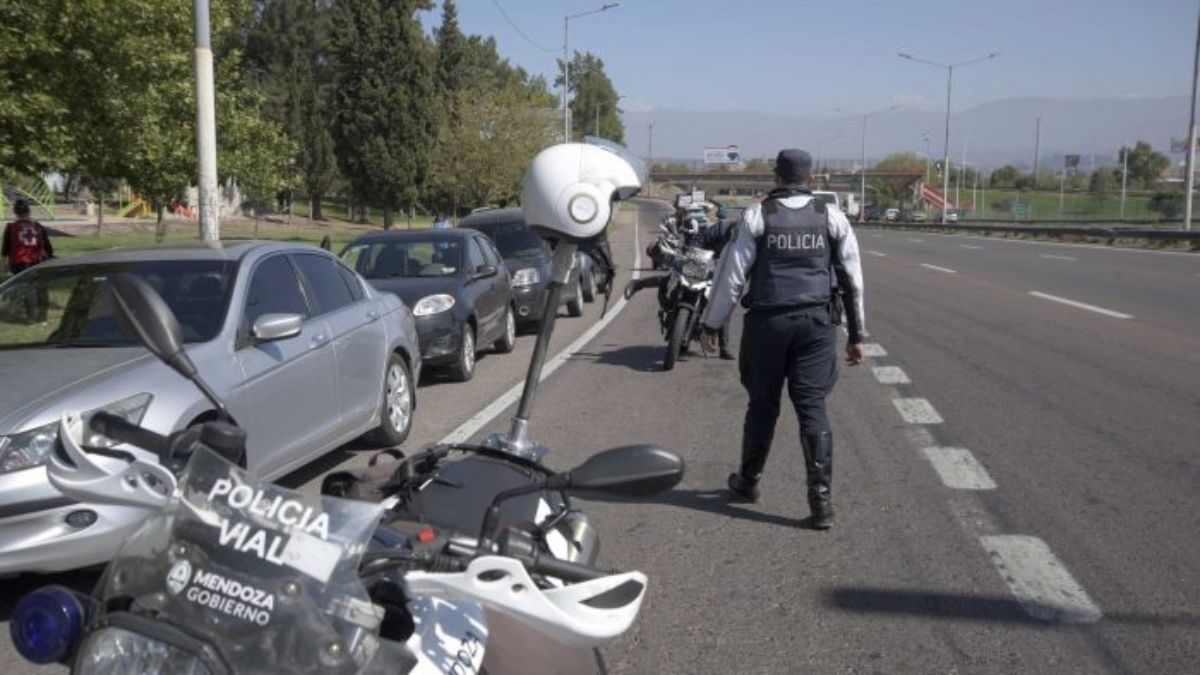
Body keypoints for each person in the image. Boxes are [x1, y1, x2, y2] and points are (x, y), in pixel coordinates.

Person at [699, 149, 865, 530]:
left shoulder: (758, 216)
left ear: (776, 176)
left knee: (762, 405)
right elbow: (853, 280)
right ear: (810, 179)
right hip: (817, 324)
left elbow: (732, 277)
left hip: (767, 325)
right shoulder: (831, 217)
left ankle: (748, 482)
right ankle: (821, 502)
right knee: (812, 407)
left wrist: (712, 323)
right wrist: (857, 335)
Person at [3, 198, 55, 323]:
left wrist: (4, 263)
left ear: (15, 212)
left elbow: (6, 248)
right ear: (29, 211)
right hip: (38, 260)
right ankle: (43, 318)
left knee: (28, 289)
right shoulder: (38, 226)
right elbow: (48, 247)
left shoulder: (11, 227)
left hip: (19, 262)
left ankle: (31, 318)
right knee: (41, 287)